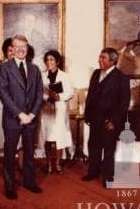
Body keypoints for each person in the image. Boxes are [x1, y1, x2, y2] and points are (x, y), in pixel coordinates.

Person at [0, 34, 44, 200]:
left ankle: (30, 182)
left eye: (23, 47)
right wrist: (20, 113)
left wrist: (31, 114)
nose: (20, 50)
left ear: (27, 48)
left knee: (29, 152)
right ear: (12, 48)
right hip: (12, 118)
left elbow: (39, 93)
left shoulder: (34, 69)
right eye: (16, 47)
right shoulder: (4, 68)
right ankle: (9, 186)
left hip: (31, 119)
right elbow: (3, 93)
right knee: (10, 154)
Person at [82, 47, 130, 186]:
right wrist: (87, 115)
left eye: (103, 57)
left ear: (113, 61)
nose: (99, 60)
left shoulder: (122, 78)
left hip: (109, 121)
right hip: (94, 119)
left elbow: (123, 103)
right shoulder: (96, 73)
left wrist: (114, 121)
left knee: (109, 149)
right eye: (100, 57)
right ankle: (93, 172)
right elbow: (90, 95)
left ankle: (108, 177)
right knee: (93, 146)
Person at [39, 50, 73, 174]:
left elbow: (70, 92)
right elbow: (38, 93)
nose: (49, 62)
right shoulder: (42, 76)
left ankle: (57, 164)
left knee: (59, 137)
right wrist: (47, 97)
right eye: (47, 60)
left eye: (52, 59)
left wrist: (59, 97)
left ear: (57, 61)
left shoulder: (64, 76)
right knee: (48, 138)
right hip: (47, 110)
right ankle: (48, 163)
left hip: (59, 110)